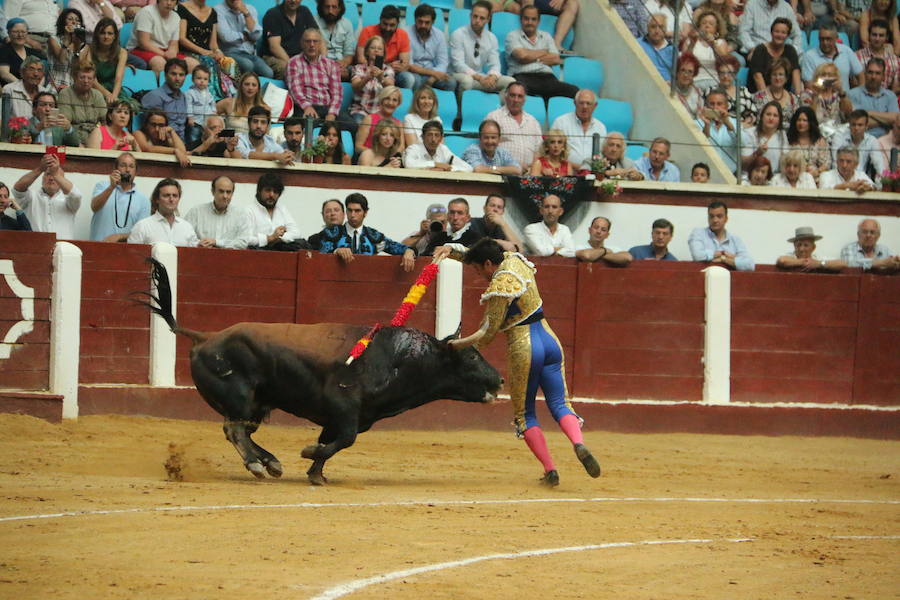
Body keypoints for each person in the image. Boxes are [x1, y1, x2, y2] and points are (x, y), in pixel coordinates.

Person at [432, 237, 602, 488]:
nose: (479, 274)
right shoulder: (513, 259)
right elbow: (476, 253)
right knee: (559, 402)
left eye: (479, 269)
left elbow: (487, 333)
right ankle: (578, 443)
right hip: (549, 339)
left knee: (525, 414)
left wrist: (459, 346)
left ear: (489, 264)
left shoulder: (500, 284)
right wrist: (452, 249)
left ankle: (550, 469)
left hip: (524, 346)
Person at [316, 192, 416, 271]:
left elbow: (396, 247)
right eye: (350, 210)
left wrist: (408, 251)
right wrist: (336, 251)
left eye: (357, 211)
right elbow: (321, 253)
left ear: (365, 212)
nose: (352, 215)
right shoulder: (332, 233)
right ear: (346, 211)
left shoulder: (373, 236)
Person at [286, 27, 354, 131]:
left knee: (353, 126)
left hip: (327, 107)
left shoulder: (331, 64)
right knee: (306, 126)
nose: (312, 45)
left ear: (320, 44)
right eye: (308, 41)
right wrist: (307, 107)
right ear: (302, 44)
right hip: (305, 107)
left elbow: (337, 93)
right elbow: (295, 91)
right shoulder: (294, 62)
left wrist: (332, 113)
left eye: (315, 41)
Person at [505, 6, 578, 100]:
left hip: (548, 78)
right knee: (518, 90)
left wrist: (530, 55)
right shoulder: (512, 36)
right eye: (526, 18)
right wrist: (544, 52)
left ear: (538, 21)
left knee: (574, 91)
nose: (530, 22)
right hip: (523, 77)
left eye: (533, 19)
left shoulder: (546, 36)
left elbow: (555, 58)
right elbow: (522, 56)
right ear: (521, 19)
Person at [449, 1, 515, 93]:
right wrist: (479, 78)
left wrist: (492, 77)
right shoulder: (458, 34)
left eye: (482, 18)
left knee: (510, 82)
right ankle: (461, 107)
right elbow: (458, 65)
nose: (477, 21)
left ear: (488, 19)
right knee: (467, 81)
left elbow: (495, 64)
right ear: (470, 16)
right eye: (475, 16)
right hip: (460, 75)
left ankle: (499, 107)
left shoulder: (491, 38)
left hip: (481, 77)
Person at [11, 154, 81, 240]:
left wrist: (55, 174)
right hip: (35, 247)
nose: (52, 178)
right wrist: (40, 168)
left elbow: (77, 196)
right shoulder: (31, 196)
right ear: (42, 178)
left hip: (63, 249)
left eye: (56, 175)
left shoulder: (68, 201)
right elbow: (17, 189)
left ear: (62, 180)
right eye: (48, 174)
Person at [89, 151, 151, 242]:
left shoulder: (143, 201)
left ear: (136, 172)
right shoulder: (102, 186)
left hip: (126, 252)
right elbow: (94, 207)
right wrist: (111, 187)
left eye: (131, 166)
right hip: (97, 247)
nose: (127, 169)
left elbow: (141, 232)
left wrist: (119, 236)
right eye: (123, 165)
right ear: (115, 169)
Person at [127, 0, 197, 76]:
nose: (169, 3)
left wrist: (172, 53)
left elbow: (174, 44)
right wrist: (165, 55)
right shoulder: (146, 12)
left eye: (173, 0)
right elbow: (143, 43)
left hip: (164, 51)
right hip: (140, 49)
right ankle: (161, 88)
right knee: (160, 63)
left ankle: (185, 88)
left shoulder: (176, 17)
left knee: (193, 64)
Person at [177, 0, 230, 103]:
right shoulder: (182, 8)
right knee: (208, 61)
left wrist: (218, 51)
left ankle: (230, 98)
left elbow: (213, 44)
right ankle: (211, 100)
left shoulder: (212, 12)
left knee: (229, 63)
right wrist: (203, 51)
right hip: (187, 52)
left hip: (207, 53)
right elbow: (182, 39)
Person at [485, 81, 543, 172]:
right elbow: (487, 148)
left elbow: (539, 150)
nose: (516, 100)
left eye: (520, 96)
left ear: (524, 99)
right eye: (512, 95)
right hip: (503, 172)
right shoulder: (494, 117)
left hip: (529, 173)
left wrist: (532, 168)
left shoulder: (533, 121)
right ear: (506, 96)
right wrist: (514, 166)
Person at [184, 175, 251, 249]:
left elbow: (243, 242)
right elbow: (184, 236)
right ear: (213, 191)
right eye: (221, 191)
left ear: (232, 193)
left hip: (230, 258)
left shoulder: (240, 215)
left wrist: (217, 242)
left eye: (228, 192)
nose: (225, 196)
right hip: (201, 257)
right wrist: (198, 244)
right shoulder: (196, 212)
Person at [127, 178, 200, 247]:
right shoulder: (142, 227)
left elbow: (195, 254)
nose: (171, 199)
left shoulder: (186, 227)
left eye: (175, 196)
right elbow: (131, 256)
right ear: (157, 199)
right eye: (166, 195)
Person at [246, 171, 308, 251]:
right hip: (257, 257)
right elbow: (246, 239)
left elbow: (297, 233)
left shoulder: (282, 209)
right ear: (259, 191)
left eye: (275, 191)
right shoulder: (249, 211)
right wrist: (269, 238)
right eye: (268, 190)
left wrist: (278, 238)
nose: (271, 195)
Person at [355, 4, 412, 89]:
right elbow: (360, 59)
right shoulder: (367, 31)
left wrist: (399, 67)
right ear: (380, 20)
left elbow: (405, 64)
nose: (388, 28)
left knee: (409, 78)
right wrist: (387, 66)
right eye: (385, 24)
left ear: (398, 23)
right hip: (368, 70)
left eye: (392, 25)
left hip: (391, 73)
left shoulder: (403, 35)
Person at [549, 89, 607, 172]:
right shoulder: (561, 122)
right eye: (581, 103)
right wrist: (581, 168)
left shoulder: (601, 127)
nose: (585, 107)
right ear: (575, 103)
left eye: (588, 103)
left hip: (592, 174)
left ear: (595, 105)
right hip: (564, 173)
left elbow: (602, 155)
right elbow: (552, 152)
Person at [688, 201, 755, 270]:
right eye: (711, 216)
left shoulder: (735, 240)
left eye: (719, 216)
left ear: (726, 219)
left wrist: (723, 259)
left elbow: (750, 265)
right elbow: (697, 255)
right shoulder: (698, 233)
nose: (715, 220)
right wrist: (728, 256)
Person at [800, 21, 863, 92]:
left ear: (836, 38)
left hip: (845, 99)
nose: (825, 42)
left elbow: (860, 74)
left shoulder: (846, 51)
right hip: (820, 100)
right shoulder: (809, 56)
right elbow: (809, 85)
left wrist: (860, 95)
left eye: (828, 39)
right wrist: (830, 83)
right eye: (822, 39)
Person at [261, 0, 317, 80]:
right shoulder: (273, 14)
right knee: (287, 69)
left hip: (300, 57)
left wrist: (322, 60)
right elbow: (274, 47)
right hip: (275, 57)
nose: (293, 1)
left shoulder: (305, 11)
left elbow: (318, 38)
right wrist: (295, 65)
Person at [405, 3, 455, 91]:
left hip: (432, 74)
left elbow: (443, 63)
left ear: (433, 22)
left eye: (427, 23)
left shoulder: (439, 35)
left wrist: (433, 77)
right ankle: (415, 104)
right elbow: (409, 65)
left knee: (451, 82)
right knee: (415, 80)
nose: (423, 25)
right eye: (420, 22)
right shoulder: (406, 33)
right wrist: (433, 73)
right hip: (414, 73)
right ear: (415, 20)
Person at [215, 0, 271, 77]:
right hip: (228, 53)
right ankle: (240, 88)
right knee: (247, 65)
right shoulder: (218, 10)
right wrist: (248, 36)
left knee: (268, 72)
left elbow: (256, 36)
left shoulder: (250, 9)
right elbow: (226, 37)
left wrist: (246, 14)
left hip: (249, 53)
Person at [79, 18, 128, 105]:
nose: (106, 36)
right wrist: (108, 95)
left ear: (115, 36)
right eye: (102, 33)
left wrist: (114, 96)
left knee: (124, 108)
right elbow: (92, 79)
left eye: (110, 33)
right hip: (94, 89)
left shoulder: (122, 52)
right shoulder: (89, 49)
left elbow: (118, 78)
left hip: (114, 89)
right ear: (97, 35)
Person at [747, 17, 802, 95]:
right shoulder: (760, 50)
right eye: (777, 31)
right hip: (761, 95)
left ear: (788, 35)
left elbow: (796, 73)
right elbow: (757, 77)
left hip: (783, 95)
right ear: (771, 32)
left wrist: (798, 96)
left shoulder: (790, 50)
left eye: (783, 32)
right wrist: (768, 100)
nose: (780, 35)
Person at [58, 63, 108, 146]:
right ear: (74, 78)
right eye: (82, 77)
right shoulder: (66, 93)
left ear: (94, 80)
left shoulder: (97, 94)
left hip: (95, 138)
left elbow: (106, 121)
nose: (86, 81)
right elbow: (66, 123)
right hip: (73, 138)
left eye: (89, 78)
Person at [848, 58, 899, 138]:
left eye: (878, 73)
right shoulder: (852, 94)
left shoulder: (890, 96)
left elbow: (896, 119)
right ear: (865, 74)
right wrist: (886, 120)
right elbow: (857, 123)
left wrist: (869, 113)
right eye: (870, 72)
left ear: (883, 77)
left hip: (885, 142)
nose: (873, 77)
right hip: (861, 141)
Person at [350, 35, 396, 124]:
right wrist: (367, 78)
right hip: (360, 111)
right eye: (373, 48)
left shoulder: (388, 70)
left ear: (383, 53)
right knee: (360, 124)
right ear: (367, 51)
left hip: (380, 112)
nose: (376, 50)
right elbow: (355, 87)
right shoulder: (358, 68)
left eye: (379, 49)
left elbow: (391, 87)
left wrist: (380, 78)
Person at [142, 57, 189, 140]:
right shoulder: (155, 96)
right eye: (173, 74)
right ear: (165, 75)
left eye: (181, 75)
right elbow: (152, 130)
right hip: (162, 143)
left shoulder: (183, 96)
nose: (177, 79)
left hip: (182, 143)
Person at [681, 10, 730, 90]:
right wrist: (692, 44)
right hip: (693, 81)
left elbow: (724, 63)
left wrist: (713, 45)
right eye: (704, 23)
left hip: (714, 81)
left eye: (711, 24)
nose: (707, 26)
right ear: (699, 26)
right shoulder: (690, 41)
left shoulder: (721, 43)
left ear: (716, 29)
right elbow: (684, 62)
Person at [830, 109, 888, 175]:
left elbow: (879, 165)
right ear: (849, 125)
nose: (856, 128)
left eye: (860, 125)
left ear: (866, 127)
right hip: (839, 176)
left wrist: (884, 182)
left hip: (860, 178)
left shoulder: (872, 140)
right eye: (853, 125)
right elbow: (836, 163)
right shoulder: (839, 137)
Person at [403, 120, 473, 171]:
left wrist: (447, 169)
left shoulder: (443, 149)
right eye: (430, 135)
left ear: (441, 138)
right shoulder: (413, 149)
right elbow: (408, 164)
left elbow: (468, 168)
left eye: (437, 135)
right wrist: (435, 164)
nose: (433, 139)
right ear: (422, 136)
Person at [738, 0, 804, 53]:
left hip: (780, 53)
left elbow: (797, 34)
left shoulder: (786, 7)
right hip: (756, 50)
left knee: (801, 59)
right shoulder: (751, 5)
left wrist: (793, 50)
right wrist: (752, 48)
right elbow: (743, 31)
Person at [741, 100, 788, 175]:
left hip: (774, 178)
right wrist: (757, 153)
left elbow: (785, 162)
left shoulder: (782, 135)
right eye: (768, 114)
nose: (771, 118)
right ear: (762, 116)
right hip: (750, 178)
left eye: (775, 115)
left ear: (779, 120)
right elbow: (743, 164)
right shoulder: (749, 133)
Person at [786, 105, 831, 181]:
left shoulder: (820, 141)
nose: (801, 123)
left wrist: (816, 172)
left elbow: (826, 164)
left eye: (804, 120)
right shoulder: (789, 140)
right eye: (799, 120)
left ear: (811, 122)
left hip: (816, 178)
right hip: (793, 177)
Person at [312, 0, 355, 80]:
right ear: (321, 8)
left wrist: (344, 63)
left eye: (334, 7)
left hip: (340, 65)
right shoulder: (313, 22)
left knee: (356, 73)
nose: (330, 11)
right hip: (320, 63)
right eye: (327, 7)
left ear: (340, 8)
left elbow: (349, 54)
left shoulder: (347, 24)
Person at [800, 62, 853, 127]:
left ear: (836, 77)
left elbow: (849, 114)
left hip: (837, 132)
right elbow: (807, 118)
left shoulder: (839, 95)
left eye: (830, 75)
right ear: (817, 77)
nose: (826, 77)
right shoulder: (807, 94)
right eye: (823, 75)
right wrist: (816, 95)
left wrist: (841, 91)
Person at [354, 85, 404, 154]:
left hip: (390, 160)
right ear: (381, 100)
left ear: (398, 104)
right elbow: (358, 147)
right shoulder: (369, 119)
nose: (390, 103)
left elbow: (401, 148)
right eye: (387, 98)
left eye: (394, 100)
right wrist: (378, 156)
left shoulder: (398, 124)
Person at [2, 56, 54, 122]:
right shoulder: (9, 89)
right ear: (22, 72)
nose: (36, 74)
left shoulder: (45, 92)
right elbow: (2, 119)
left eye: (39, 70)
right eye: (31, 69)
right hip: (17, 131)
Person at [698, 88, 738, 172]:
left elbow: (743, 143)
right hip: (705, 175)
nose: (715, 107)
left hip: (730, 174)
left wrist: (727, 123)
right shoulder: (697, 123)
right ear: (706, 106)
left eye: (719, 104)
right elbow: (699, 147)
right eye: (712, 104)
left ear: (726, 107)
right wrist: (707, 125)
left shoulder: (735, 123)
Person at [751, 58, 800, 127]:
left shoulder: (793, 99)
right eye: (774, 74)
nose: (777, 78)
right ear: (769, 77)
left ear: (786, 78)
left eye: (781, 74)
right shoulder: (759, 96)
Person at [48, 8, 87, 91]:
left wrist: (77, 47)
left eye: (77, 20)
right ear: (63, 22)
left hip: (73, 86)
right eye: (70, 19)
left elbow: (77, 68)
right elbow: (62, 60)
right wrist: (67, 38)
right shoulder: (54, 39)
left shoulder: (82, 44)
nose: (74, 22)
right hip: (55, 85)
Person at [856, 18, 899, 90]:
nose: (877, 39)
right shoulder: (856, 57)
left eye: (881, 35)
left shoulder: (895, 61)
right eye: (874, 35)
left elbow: (895, 89)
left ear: (887, 37)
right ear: (869, 35)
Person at [776, 226, 845, 271]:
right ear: (794, 245)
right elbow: (782, 261)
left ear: (813, 247)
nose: (801, 249)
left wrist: (818, 263)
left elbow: (842, 263)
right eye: (799, 245)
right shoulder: (790, 256)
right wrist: (805, 262)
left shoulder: (817, 258)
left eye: (806, 245)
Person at [0, 19, 44, 84]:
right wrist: (24, 86)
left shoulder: (33, 52)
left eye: (23, 32)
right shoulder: (3, 51)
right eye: (15, 32)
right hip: (11, 89)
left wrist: (37, 87)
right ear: (8, 33)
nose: (20, 35)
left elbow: (42, 74)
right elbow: (5, 74)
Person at [184, 64, 216, 147]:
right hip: (195, 121)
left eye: (205, 79)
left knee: (206, 138)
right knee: (194, 136)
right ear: (193, 79)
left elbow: (212, 103)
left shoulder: (209, 93)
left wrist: (214, 111)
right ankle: (191, 148)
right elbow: (189, 106)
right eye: (199, 78)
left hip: (207, 121)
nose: (202, 81)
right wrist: (190, 117)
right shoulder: (190, 93)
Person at [639, 14, 676, 82]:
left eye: (661, 27)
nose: (657, 31)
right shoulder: (638, 44)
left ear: (665, 29)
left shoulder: (672, 49)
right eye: (653, 27)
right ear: (647, 28)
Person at [673, 53, 704, 119]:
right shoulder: (668, 88)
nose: (686, 75)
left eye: (690, 72)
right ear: (677, 72)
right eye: (683, 70)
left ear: (694, 74)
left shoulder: (698, 92)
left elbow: (699, 117)